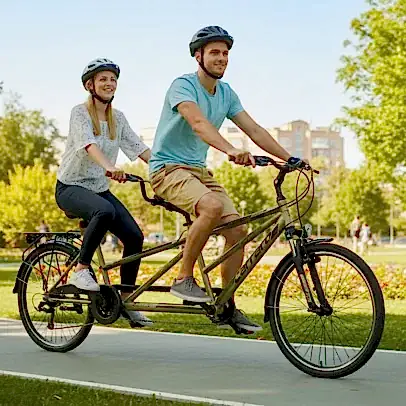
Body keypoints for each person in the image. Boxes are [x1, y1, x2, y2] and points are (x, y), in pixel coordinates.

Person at [149, 26, 304, 332]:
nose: (221, 58)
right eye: (214, 53)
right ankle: (183, 278)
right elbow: (197, 122)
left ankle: (225, 305)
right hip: (167, 169)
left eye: (225, 53)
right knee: (211, 206)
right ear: (198, 56)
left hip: (198, 172)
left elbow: (254, 130)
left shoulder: (226, 93)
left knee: (238, 230)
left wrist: (290, 159)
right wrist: (230, 149)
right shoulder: (183, 85)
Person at [55, 58, 152, 326]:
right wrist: (110, 166)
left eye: (113, 79)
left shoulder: (117, 118)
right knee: (104, 211)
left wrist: (167, 167)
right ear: (90, 85)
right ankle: (81, 269)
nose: (109, 84)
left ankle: (127, 300)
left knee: (134, 237)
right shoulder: (80, 113)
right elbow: (88, 145)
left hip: (99, 189)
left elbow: (139, 147)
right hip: (70, 187)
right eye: (103, 79)